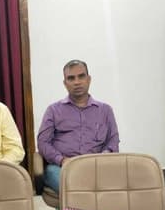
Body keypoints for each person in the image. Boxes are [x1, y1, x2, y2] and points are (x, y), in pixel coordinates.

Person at [37, 59, 120, 193]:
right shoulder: (53, 110)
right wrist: (62, 160)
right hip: (62, 168)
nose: (77, 82)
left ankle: (78, 205)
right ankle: (85, 201)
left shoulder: (105, 110)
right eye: (71, 78)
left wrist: (103, 158)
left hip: (96, 167)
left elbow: (113, 141)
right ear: (65, 83)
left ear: (89, 79)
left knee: (121, 181)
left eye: (81, 76)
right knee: (65, 181)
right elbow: (43, 143)